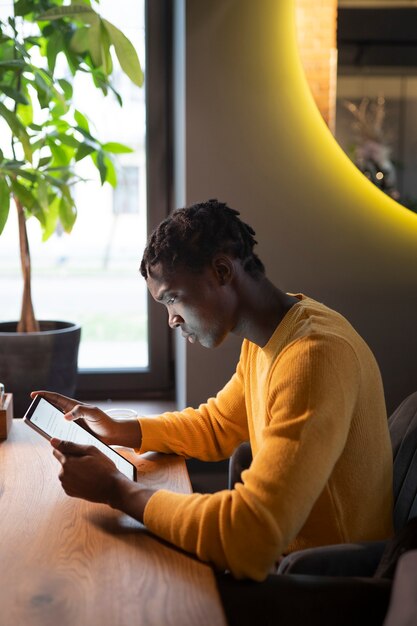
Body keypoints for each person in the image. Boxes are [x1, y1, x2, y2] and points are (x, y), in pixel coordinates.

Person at [32, 199, 393, 582]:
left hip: (329, 589)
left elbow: (248, 535)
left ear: (222, 271)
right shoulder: (273, 337)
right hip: (291, 566)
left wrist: (117, 489)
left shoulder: (313, 357)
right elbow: (218, 425)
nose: (171, 319)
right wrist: (120, 431)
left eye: (172, 297)